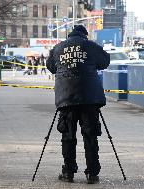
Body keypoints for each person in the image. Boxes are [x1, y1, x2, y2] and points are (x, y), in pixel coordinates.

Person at [46, 25, 110, 184]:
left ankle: (68, 172)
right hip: (89, 98)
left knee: (68, 136)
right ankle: (92, 173)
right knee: (90, 135)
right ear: (84, 35)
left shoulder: (59, 48)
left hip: (66, 97)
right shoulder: (91, 46)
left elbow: (51, 67)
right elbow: (105, 62)